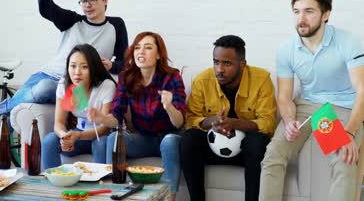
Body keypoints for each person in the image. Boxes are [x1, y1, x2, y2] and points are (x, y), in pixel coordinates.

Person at [0, 0, 128, 166]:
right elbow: (47, 8)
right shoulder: (72, 20)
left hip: (76, 83)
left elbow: (124, 62)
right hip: (48, 74)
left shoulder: (116, 26)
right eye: (83, 1)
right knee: (7, 120)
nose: (88, 5)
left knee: (48, 88)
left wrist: (112, 65)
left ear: (105, 0)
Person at [259, 0, 364, 201]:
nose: (301, 19)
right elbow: (285, 96)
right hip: (306, 106)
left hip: (338, 108)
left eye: (309, 11)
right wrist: (288, 121)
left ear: (326, 15)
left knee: (344, 159)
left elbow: (362, 89)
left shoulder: (347, 42)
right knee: (273, 156)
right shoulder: (286, 49)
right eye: (297, 12)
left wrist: (350, 132)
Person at [88, 31, 187, 201]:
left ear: (158, 54)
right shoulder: (126, 77)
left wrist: (169, 106)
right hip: (144, 138)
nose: (141, 52)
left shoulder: (172, 77)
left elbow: (179, 123)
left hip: (168, 137)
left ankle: (170, 198)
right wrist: (102, 118)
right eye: (137, 48)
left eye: (148, 48)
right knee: (113, 139)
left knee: (169, 141)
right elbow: (117, 115)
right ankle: (115, 193)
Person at [180, 35, 277, 201]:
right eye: (216, 62)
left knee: (258, 141)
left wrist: (235, 123)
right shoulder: (203, 80)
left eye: (227, 63)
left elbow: (268, 123)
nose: (219, 69)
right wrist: (212, 122)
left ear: (242, 64)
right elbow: (191, 119)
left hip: (247, 152)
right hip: (213, 146)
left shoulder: (261, 79)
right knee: (189, 139)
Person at [41, 44, 117, 168]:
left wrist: (78, 136)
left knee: (102, 143)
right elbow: (59, 123)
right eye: (73, 66)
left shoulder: (106, 86)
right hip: (78, 134)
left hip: (99, 136)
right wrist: (64, 136)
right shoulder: (65, 84)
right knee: (50, 141)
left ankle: (101, 184)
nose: (77, 72)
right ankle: (53, 182)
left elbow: (105, 129)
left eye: (84, 67)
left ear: (93, 67)